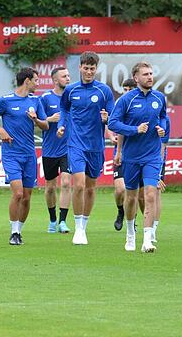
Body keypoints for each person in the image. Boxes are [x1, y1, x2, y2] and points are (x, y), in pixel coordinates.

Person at [0, 67, 48, 245]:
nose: (37, 83)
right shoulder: (5, 101)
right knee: (18, 193)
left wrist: (36, 120)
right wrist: (2, 130)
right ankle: (13, 232)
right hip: (11, 153)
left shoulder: (36, 101)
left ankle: (19, 231)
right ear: (27, 80)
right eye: (35, 79)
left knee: (27, 196)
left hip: (29, 154)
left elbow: (46, 126)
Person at [57, 51, 114, 245]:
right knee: (79, 184)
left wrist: (108, 120)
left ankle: (85, 224)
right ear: (80, 67)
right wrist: (61, 125)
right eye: (86, 68)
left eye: (92, 68)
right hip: (76, 143)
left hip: (96, 145)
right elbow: (64, 109)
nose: (89, 71)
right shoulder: (71, 90)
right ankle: (78, 229)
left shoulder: (104, 91)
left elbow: (113, 115)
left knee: (90, 187)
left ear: (96, 69)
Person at [108, 62, 167, 253]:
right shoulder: (126, 100)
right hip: (131, 157)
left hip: (152, 155)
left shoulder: (159, 98)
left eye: (151, 73)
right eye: (145, 74)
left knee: (150, 194)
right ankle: (130, 234)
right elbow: (113, 123)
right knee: (131, 197)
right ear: (136, 78)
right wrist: (134, 129)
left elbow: (163, 117)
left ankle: (148, 239)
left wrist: (161, 128)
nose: (150, 77)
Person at [39, 67, 71, 234]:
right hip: (50, 150)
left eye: (68, 75)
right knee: (50, 188)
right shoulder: (45, 98)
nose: (68, 78)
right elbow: (37, 122)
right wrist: (50, 119)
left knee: (66, 183)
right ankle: (52, 219)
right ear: (55, 80)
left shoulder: (73, 96)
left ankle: (63, 221)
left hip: (68, 148)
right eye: (64, 76)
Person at [111, 79, 137, 232]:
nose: (126, 92)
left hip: (137, 153)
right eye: (124, 89)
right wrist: (118, 151)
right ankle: (121, 211)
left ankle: (131, 220)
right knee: (120, 190)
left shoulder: (141, 105)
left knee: (133, 192)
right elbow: (114, 125)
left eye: (129, 89)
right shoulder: (120, 104)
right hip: (121, 152)